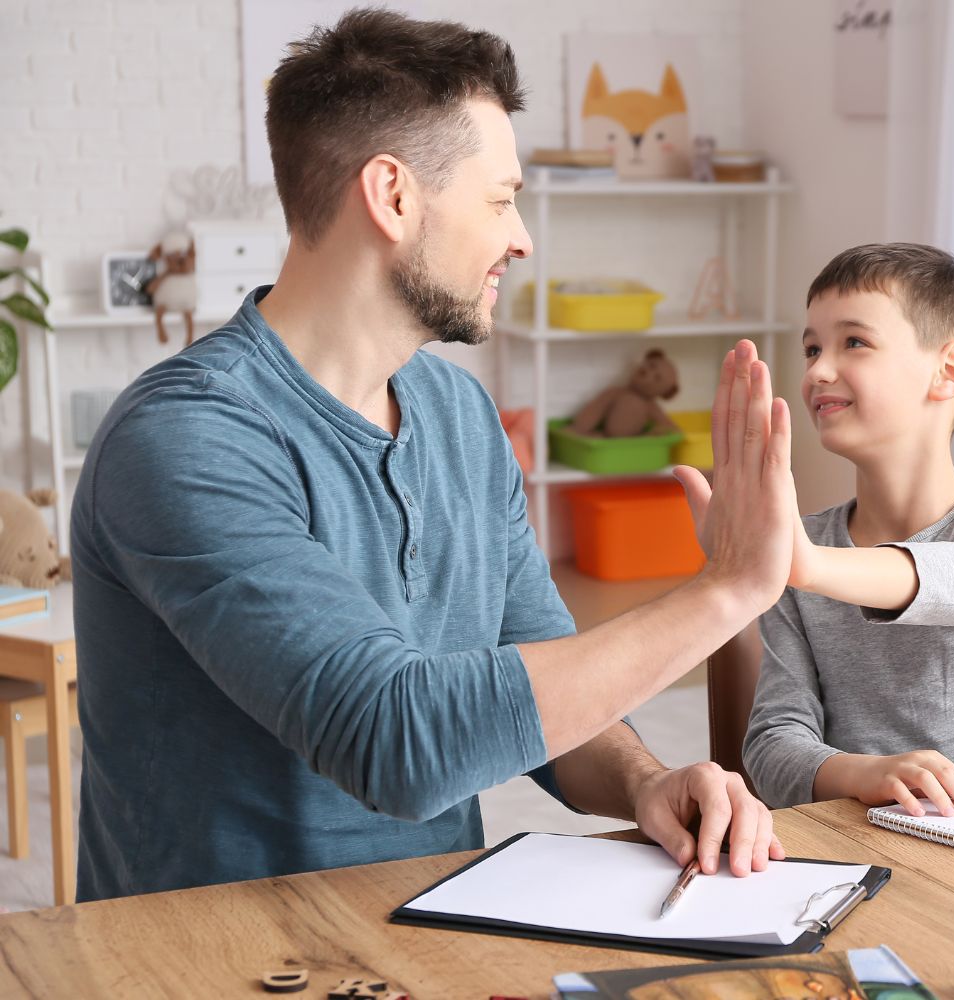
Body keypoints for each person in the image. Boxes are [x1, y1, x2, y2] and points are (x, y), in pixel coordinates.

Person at [70, 8, 795, 902]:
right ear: (394, 196)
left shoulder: (458, 412)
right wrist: (728, 589)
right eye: (500, 200)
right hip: (215, 959)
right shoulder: (185, 438)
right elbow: (396, 741)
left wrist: (645, 782)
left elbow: (544, 690)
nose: (522, 236)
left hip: (423, 929)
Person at [737, 244, 954, 813]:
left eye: (853, 343)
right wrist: (867, 774)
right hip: (849, 836)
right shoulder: (801, 555)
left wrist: (809, 566)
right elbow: (771, 749)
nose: (817, 370)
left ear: (948, 371)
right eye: (812, 348)